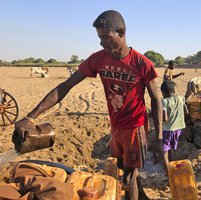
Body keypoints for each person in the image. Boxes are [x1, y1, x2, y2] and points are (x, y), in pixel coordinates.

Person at [15, 10, 163, 200]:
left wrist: (159, 138)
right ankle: (142, 196)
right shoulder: (99, 59)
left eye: (105, 37)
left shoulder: (141, 63)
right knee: (123, 167)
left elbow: (156, 99)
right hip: (116, 126)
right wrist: (31, 117)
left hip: (136, 129)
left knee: (128, 178)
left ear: (121, 32)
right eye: (99, 38)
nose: (101, 42)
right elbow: (65, 86)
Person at [159, 80, 188, 173]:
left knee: (164, 153)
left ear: (163, 92)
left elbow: (165, 118)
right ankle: (174, 168)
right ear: (173, 91)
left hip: (168, 130)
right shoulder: (181, 98)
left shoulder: (164, 102)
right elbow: (186, 111)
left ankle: (169, 175)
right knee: (171, 149)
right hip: (178, 128)